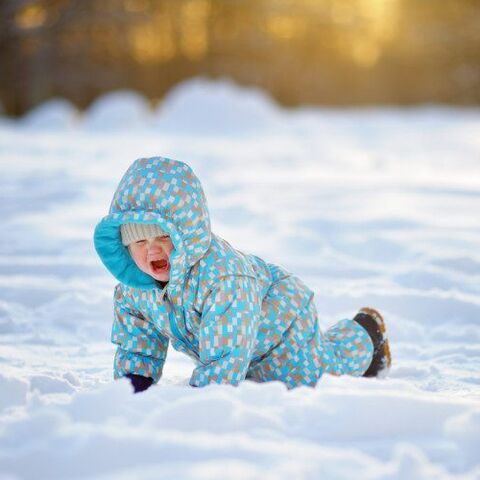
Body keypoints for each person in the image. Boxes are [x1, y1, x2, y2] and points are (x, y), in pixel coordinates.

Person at [94, 156, 391, 393]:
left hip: (281, 324)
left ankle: (367, 332)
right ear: (125, 246)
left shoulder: (222, 279)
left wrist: (207, 396)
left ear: (186, 235)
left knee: (317, 376)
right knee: (249, 377)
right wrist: (134, 384)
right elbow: (138, 340)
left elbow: (226, 355)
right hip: (239, 346)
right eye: (140, 242)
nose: (153, 250)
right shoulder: (134, 289)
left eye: (164, 238)